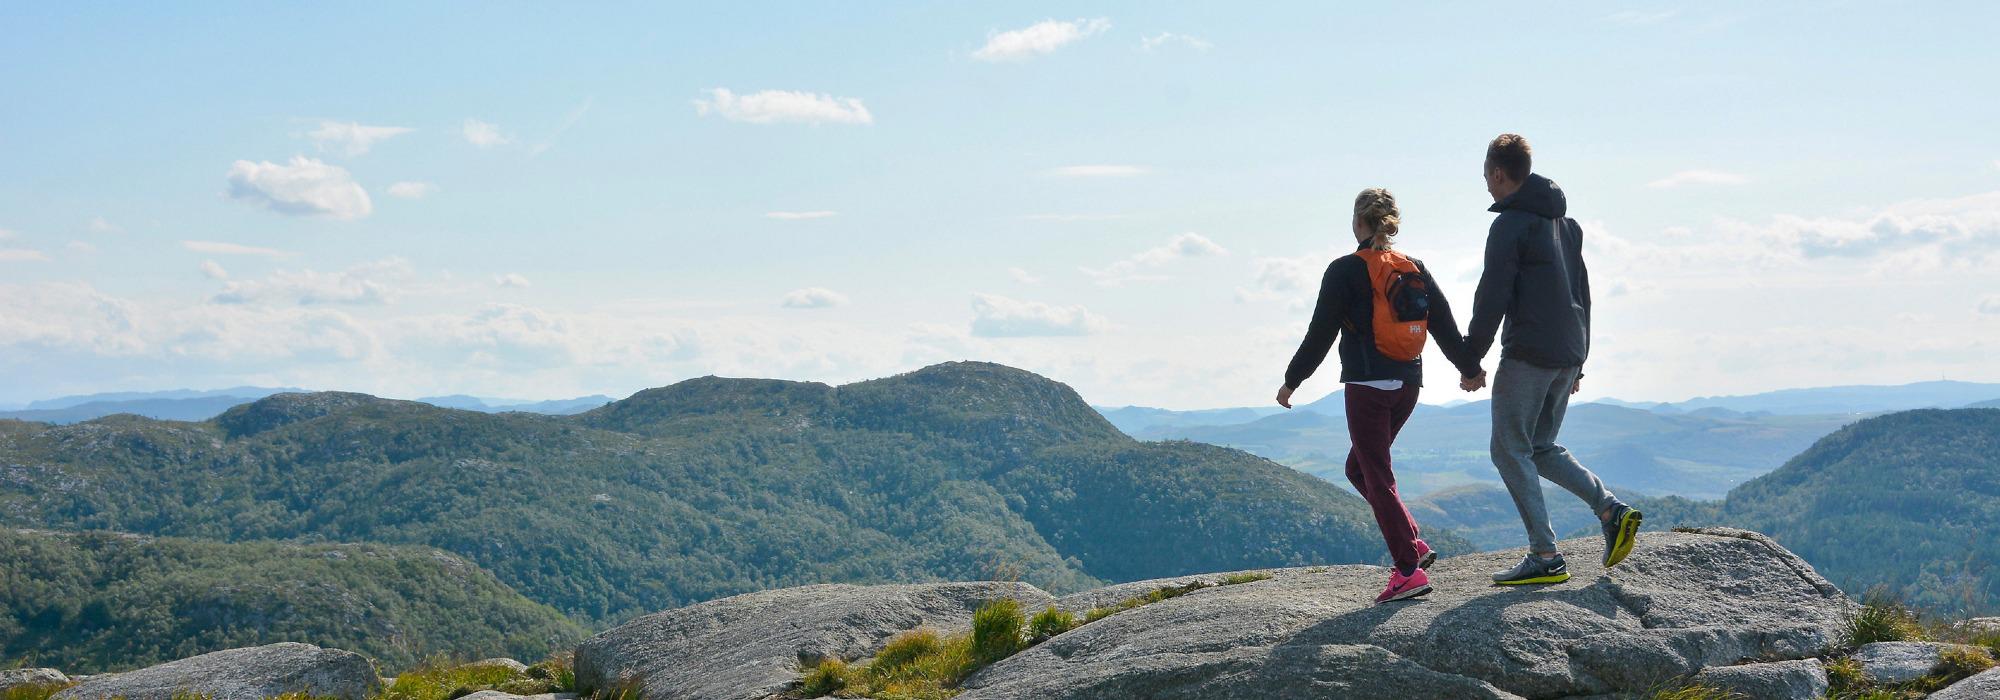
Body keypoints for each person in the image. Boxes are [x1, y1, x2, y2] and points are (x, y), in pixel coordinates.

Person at [1277, 187, 1486, 604]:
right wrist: (1470, 369)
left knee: (1376, 474)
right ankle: (1414, 542)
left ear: (1358, 223)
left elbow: (1320, 333)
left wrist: (1291, 380)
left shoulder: (1343, 270)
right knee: (1359, 468)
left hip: (1367, 387)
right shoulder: (1414, 268)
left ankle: (1407, 570)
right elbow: (1444, 325)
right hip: (1408, 385)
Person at [1461, 134, 1642, 586]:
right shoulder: (1567, 225)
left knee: (1508, 448)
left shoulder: (1510, 225)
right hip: (1567, 350)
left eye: (1486, 176)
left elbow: (1492, 294)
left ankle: (1544, 554)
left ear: (1499, 173)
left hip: (1530, 352)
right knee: (1540, 447)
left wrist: (1471, 359)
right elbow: (1583, 293)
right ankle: (1610, 510)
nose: (1486, 185)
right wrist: (1580, 359)